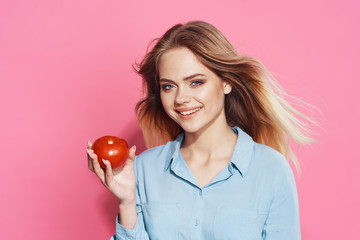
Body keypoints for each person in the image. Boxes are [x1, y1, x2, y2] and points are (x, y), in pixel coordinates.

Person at [87, 21, 317, 240]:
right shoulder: (143, 169)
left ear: (226, 82)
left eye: (196, 82)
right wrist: (127, 202)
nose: (181, 98)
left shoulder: (271, 170)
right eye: (169, 86)